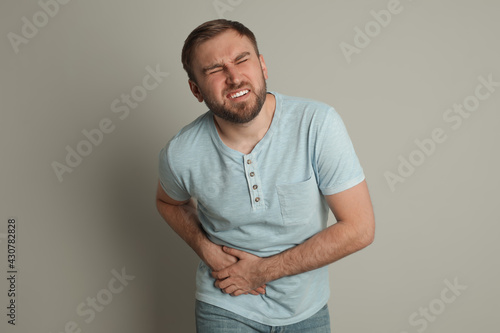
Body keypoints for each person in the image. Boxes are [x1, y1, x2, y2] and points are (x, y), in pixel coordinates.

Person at [156, 19, 375, 333]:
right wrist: (207, 251)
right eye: (214, 69)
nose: (233, 77)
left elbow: (359, 229)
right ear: (196, 89)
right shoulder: (180, 152)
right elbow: (168, 203)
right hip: (224, 304)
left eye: (242, 60)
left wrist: (261, 272)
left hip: (306, 309)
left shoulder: (318, 124)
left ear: (262, 66)